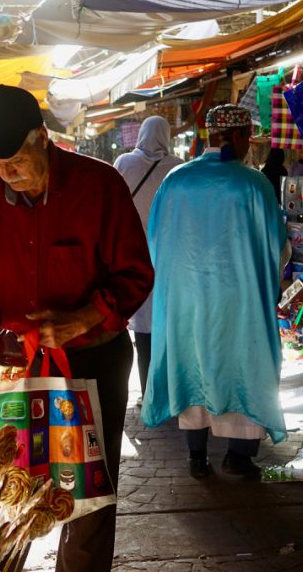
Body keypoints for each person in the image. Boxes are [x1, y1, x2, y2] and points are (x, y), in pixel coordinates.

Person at [0, 85, 153, 572]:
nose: (6, 173)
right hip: (17, 364)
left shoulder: (98, 185)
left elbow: (136, 274)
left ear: (42, 137)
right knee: (7, 483)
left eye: (16, 160)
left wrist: (84, 317)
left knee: (88, 492)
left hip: (93, 360)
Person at [143, 104, 287, 479]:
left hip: (186, 298)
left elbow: (156, 241)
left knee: (192, 363)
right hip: (239, 300)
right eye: (249, 138)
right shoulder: (253, 183)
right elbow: (276, 244)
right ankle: (238, 456)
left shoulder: (175, 180)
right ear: (237, 136)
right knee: (243, 365)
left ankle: (196, 454)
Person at [113, 115, 183, 402]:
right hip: (169, 258)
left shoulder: (124, 163)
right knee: (168, 326)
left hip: (132, 256)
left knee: (142, 328)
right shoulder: (177, 167)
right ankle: (170, 391)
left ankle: (148, 392)